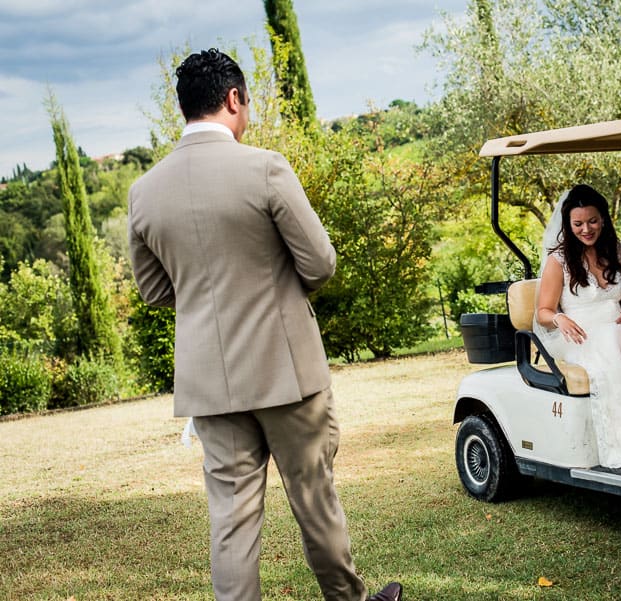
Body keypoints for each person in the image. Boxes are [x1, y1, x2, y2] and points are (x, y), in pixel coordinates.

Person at [128, 49, 401, 601]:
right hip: (287, 372)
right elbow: (320, 263)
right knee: (313, 497)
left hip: (209, 384)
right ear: (234, 99)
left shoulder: (143, 193)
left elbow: (155, 292)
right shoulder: (265, 168)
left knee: (230, 518)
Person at [534, 184, 621, 470]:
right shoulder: (559, 261)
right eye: (578, 223)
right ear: (568, 224)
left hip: (617, 328)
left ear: (603, 219)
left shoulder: (615, 252)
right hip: (582, 336)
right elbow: (543, 311)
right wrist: (559, 318)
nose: (586, 229)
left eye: (592, 221)